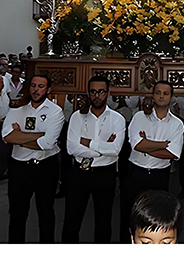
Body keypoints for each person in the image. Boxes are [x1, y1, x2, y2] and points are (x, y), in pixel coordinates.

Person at [62, 75, 126, 243]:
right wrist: (102, 149)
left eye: (101, 91)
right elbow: (71, 148)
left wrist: (87, 143)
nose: (97, 95)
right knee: (71, 220)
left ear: (108, 93)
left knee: (103, 221)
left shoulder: (117, 119)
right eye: (93, 91)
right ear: (88, 93)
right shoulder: (77, 117)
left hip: (105, 174)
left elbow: (116, 150)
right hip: (79, 173)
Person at [2, 74, 64, 243]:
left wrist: (20, 138)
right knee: (17, 213)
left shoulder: (55, 111)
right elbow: (7, 136)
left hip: (45, 167)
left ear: (48, 90)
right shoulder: (17, 108)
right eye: (34, 86)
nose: (36, 90)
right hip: (19, 168)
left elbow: (49, 143)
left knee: (45, 212)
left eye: (41, 86)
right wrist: (39, 136)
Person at [120, 81, 184, 243]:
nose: (161, 96)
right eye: (158, 92)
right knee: (129, 217)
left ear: (171, 97)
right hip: (135, 173)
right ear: (153, 95)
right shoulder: (139, 117)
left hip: (159, 176)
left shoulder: (177, 124)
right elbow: (137, 145)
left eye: (165, 93)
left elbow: (173, 153)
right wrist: (163, 144)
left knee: (158, 218)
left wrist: (147, 144)